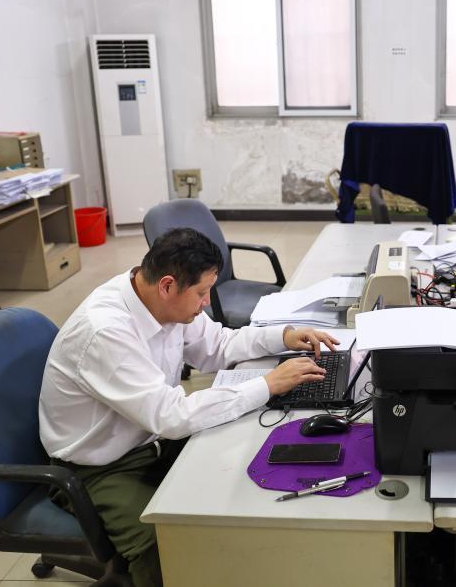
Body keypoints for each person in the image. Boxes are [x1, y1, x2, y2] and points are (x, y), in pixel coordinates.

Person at [39, 228, 338, 587]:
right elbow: (172, 416)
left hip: (149, 439)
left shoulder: (157, 301)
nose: (206, 302)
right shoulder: (106, 332)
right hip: (98, 468)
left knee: (241, 464)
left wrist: (283, 336)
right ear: (167, 285)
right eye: (201, 292)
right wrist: (268, 384)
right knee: (161, 541)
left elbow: (218, 345)